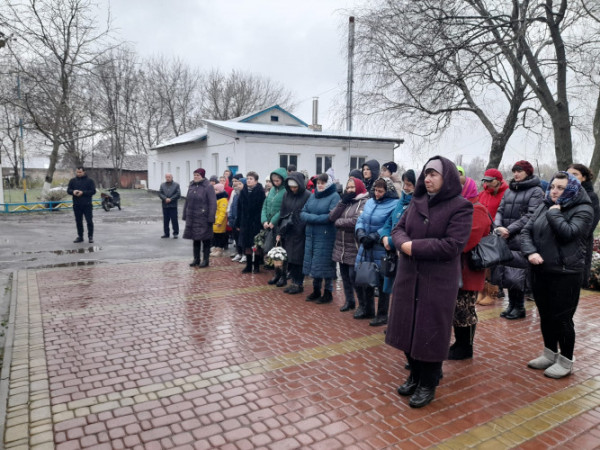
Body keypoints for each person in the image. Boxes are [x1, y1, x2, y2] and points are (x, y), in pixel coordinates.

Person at [386, 156, 473, 408]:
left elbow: (453, 245)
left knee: (430, 331)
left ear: (446, 177)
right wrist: (403, 242)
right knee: (407, 327)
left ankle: (428, 382)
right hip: (408, 276)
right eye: (426, 173)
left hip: (437, 280)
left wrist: (413, 247)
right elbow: (398, 228)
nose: (428, 178)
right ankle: (414, 374)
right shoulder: (417, 201)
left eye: (434, 174)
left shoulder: (461, 206)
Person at [521, 172, 593, 378]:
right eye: (553, 186)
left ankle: (566, 360)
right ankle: (549, 353)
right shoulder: (545, 204)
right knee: (545, 315)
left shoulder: (584, 209)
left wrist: (554, 213)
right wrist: (531, 252)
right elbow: (526, 231)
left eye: (560, 188)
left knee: (562, 319)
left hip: (566, 273)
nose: (554, 190)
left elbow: (568, 232)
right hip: (541, 270)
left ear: (571, 189)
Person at [448, 176, 492, 360]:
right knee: (458, 309)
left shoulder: (477, 209)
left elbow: (466, 242)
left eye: (460, 185)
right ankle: (460, 343)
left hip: (468, 270)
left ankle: (466, 347)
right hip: (458, 269)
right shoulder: (461, 207)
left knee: (464, 309)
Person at [494, 160, 544, 319]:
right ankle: (511, 305)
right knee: (507, 274)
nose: (516, 174)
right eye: (514, 171)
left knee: (518, 275)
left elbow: (531, 215)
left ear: (527, 172)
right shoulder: (509, 190)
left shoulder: (536, 191)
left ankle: (519, 307)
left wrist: (509, 229)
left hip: (521, 237)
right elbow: (500, 210)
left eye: (519, 171)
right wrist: (498, 226)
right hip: (505, 237)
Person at [355, 177, 399, 326]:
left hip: (381, 248)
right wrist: (360, 233)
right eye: (376, 190)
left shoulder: (394, 205)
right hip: (366, 246)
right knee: (366, 278)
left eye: (381, 191)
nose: (377, 194)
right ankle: (368, 309)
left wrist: (375, 236)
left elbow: (393, 224)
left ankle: (382, 314)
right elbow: (361, 219)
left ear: (388, 191)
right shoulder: (370, 201)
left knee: (381, 282)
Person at [330, 177, 369, 312]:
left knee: (355, 277)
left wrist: (338, 223)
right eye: (348, 188)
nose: (350, 190)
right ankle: (349, 301)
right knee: (345, 276)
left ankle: (363, 304)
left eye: (352, 187)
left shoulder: (364, 202)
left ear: (358, 187)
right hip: (341, 245)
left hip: (354, 246)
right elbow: (332, 216)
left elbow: (355, 221)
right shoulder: (345, 202)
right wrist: (342, 202)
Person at [301, 173, 340, 303]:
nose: (320, 185)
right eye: (318, 183)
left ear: (328, 183)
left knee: (326, 265)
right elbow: (303, 212)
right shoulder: (313, 195)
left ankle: (328, 293)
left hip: (326, 236)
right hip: (311, 235)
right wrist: (316, 218)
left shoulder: (334, 196)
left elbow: (330, 216)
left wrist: (311, 218)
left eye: (323, 183)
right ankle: (316, 290)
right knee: (314, 264)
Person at [380, 169, 416, 295]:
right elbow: (389, 222)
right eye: (404, 183)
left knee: (404, 293)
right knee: (394, 292)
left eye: (409, 184)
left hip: (405, 255)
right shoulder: (401, 201)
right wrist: (384, 236)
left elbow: (410, 231)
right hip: (393, 254)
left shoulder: (417, 204)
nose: (405, 188)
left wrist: (390, 241)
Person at [567, 164, 600, 287]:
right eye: (568, 174)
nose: (571, 177)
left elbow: (591, 222)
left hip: (580, 243)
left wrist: (572, 235)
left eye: (575, 174)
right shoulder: (563, 194)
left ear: (584, 178)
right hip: (562, 242)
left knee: (576, 282)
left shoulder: (591, 196)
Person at [278, 172, 311, 294]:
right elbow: (282, 211)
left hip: (301, 231)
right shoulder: (287, 195)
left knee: (298, 259)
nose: (293, 189)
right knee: (290, 258)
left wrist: (301, 225)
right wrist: (281, 229)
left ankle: (298, 283)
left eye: (295, 187)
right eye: (291, 187)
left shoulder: (307, 195)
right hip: (289, 230)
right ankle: (293, 282)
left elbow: (308, 212)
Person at [183, 168, 217, 268]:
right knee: (195, 239)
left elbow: (212, 203)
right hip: (193, 217)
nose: (196, 177)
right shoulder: (192, 186)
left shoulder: (208, 187)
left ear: (202, 176)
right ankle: (196, 258)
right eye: (194, 175)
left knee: (205, 239)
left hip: (204, 217)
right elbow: (187, 201)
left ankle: (205, 260)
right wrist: (185, 214)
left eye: (198, 175)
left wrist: (211, 217)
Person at [261, 168, 288, 285]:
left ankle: (283, 275)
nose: (276, 183)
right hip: (270, 226)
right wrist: (264, 220)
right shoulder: (272, 190)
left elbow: (283, 209)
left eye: (278, 180)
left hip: (280, 225)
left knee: (281, 251)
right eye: (274, 181)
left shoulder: (286, 192)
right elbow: (265, 206)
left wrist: (273, 221)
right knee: (273, 251)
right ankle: (276, 274)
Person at [236, 171, 266, 274]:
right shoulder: (243, 191)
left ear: (256, 181)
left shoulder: (260, 192)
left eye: (251, 179)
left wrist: (261, 222)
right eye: (248, 178)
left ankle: (256, 266)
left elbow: (263, 208)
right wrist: (238, 222)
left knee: (256, 244)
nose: (248, 180)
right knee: (247, 244)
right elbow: (239, 208)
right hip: (245, 222)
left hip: (256, 222)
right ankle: (248, 266)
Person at [67, 166, 97, 243]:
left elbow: (93, 191)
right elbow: (68, 190)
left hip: (87, 204)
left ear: (84, 172)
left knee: (89, 221)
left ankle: (90, 236)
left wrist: (83, 193)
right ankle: (80, 236)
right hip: (77, 204)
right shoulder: (72, 181)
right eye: (77, 172)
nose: (78, 174)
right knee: (78, 221)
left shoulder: (90, 181)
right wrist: (73, 192)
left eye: (80, 172)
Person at [158, 173, 181, 239]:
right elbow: (160, 193)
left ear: (172, 177)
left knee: (174, 220)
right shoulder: (162, 185)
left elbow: (178, 194)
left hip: (173, 205)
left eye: (169, 177)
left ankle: (175, 233)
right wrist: (165, 198)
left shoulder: (176, 185)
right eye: (166, 177)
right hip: (165, 205)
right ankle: (166, 233)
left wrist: (171, 199)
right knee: (165, 220)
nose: (168, 178)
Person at [229, 178, 245, 262]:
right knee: (236, 237)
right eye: (237, 184)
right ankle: (239, 253)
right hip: (234, 220)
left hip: (241, 221)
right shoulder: (235, 195)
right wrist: (230, 217)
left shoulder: (244, 196)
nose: (238, 186)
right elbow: (232, 207)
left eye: (240, 184)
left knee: (242, 239)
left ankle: (244, 254)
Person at [210, 183, 229, 257]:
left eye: (216, 190)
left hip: (219, 222)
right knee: (215, 236)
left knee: (219, 236)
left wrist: (219, 221)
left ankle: (219, 249)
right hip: (214, 220)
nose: (214, 191)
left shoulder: (223, 200)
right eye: (214, 189)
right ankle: (216, 248)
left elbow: (222, 212)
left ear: (220, 191)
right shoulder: (216, 198)